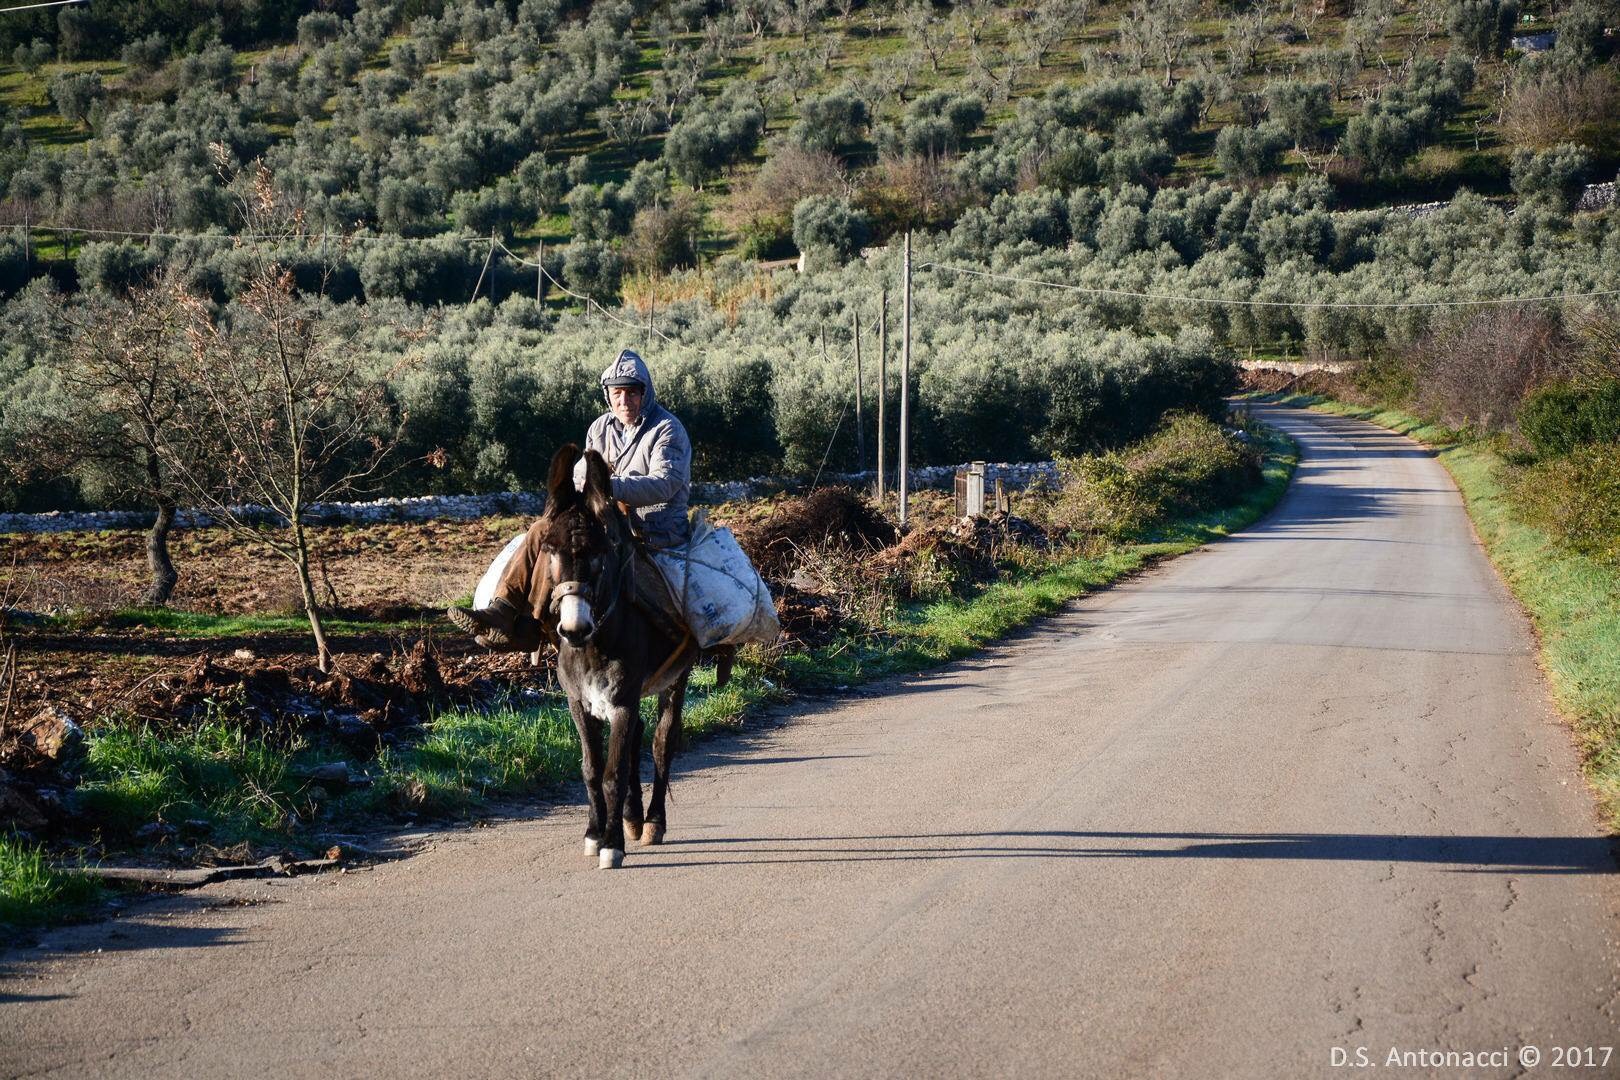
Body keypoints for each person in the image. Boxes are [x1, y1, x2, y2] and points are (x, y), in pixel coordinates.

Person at [447, 349, 692, 648]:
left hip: (653, 526)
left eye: (631, 393)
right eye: (617, 394)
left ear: (645, 393)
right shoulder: (600, 428)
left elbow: (664, 483)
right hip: (608, 517)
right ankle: (507, 611)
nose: (624, 402)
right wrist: (582, 487)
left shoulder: (667, 429)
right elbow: (581, 473)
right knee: (543, 530)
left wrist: (606, 486)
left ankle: (532, 624)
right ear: (608, 395)